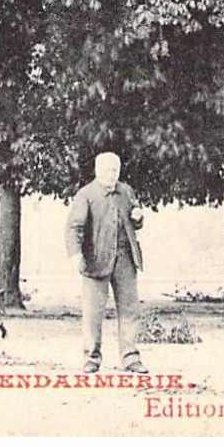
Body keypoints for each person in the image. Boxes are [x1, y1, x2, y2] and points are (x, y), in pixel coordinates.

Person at [64, 151, 147, 374]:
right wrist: (75, 255)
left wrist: (139, 216)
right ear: (98, 171)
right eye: (108, 170)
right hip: (95, 260)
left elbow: (135, 220)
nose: (113, 175)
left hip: (125, 260)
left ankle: (130, 357)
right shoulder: (86, 195)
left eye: (116, 170)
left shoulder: (126, 191)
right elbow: (74, 228)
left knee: (130, 309)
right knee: (92, 312)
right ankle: (91, 358)